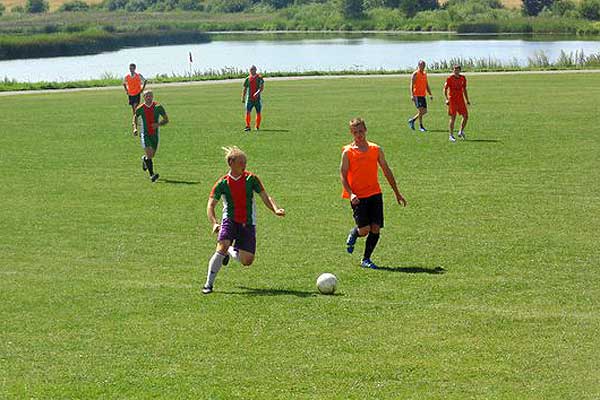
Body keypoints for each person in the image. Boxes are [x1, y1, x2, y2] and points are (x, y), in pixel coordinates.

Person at [202, 146, 285, 294]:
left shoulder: (251, 179)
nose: (244, 165)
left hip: (248, 222)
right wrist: (214, 222)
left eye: (245, 162)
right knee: (221, 247)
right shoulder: (222, 183)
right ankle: (208, 284)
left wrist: (275, 209)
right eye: (241, 162)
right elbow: (210, 205)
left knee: (247, 261)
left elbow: (265, 197)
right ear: (231, 163)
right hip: (229, 220)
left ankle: (230, 251)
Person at [341, 118, 407, 269]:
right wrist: (350, 194)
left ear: (366, 130)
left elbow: (386, 170)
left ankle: (366, 259)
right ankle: (354, 233)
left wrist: (397, 193)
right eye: (355, 132)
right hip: (358, 197)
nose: (359, 135)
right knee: (364, 230)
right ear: (351, 133)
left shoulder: (375, 149)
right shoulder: (348, 152)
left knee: (376, 228)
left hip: (375, 194)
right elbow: (343, 174)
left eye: (361, 131)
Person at [133, 90, 169, 183]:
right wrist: (135, 128)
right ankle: (152, 175)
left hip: (154, 134)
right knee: (149, 153)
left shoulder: (158, 107)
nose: (148, 97)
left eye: (150, 96)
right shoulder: (140, 108)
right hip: (145, 134)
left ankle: (145, 160)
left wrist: (158, 124)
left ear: (153, 96)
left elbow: (166, 119)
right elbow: (135, 118)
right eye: (146, 96)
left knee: (151, 155)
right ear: (144, 97)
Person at [444, 64, 471, 142]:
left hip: (461, 100)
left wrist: (467, 100)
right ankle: (451, 135)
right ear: (453, 70)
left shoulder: (463, 78)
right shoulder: (449, 78)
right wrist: (446, 99)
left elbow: (464, 89)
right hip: (452, 100)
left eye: (458, 69)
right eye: (455, 69)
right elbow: (445, 89)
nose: (456, 71)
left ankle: (461, 131)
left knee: (466, 116)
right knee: (453, 117)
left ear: (460, 70)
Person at [408, 60, 433, 132]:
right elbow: (411, 85)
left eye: (424, 65)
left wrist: (430, 94)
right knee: (421, 110)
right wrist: (412, 95)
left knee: (424, 111)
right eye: (421, 65)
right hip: (417, 95)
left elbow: (426, 84)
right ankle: (421, 126)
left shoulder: (424, 74)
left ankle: (412, 120)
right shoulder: (415, 74)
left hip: (423, 95)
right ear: (418, 65)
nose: (423, 66)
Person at [241, 65, 264, 132]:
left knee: (258, 112)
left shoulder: (259, 78)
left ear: (256, 70)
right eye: (251, 69)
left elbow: (261, 87)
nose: (252, 71)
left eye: (253, 69)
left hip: (257, 99)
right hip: (249, 99)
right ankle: (248, 126)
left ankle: (257, 126)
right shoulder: (247, 79)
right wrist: (243, 97)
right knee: (248, 112)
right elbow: (244, 89)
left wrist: (257, 93)